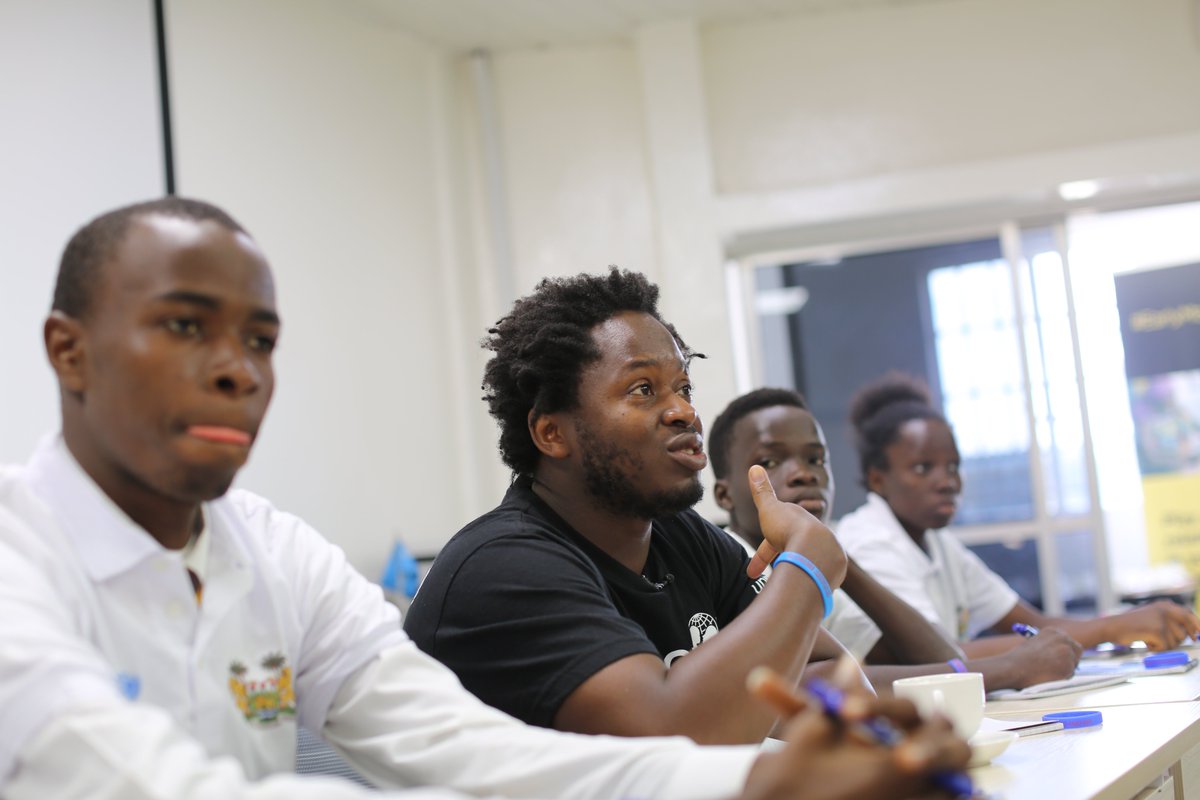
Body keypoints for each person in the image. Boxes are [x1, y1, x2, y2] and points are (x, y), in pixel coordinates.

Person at [0, 198, 968, 800]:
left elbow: (480, 755)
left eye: (259, 339)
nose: (237, 371)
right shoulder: (15, 550)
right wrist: (758, 772)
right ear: (67, 350)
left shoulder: (271, 551)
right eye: (184, 325)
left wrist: (771, 775)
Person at [406, 269, 888, 747]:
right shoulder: (503, 567)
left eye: (684, 387)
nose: (684, 411)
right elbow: (668, 739)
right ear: (552, 433)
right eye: (643, 389)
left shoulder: (682, 537)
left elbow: (833, 681)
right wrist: (806, 570)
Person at [708, 387, 1080, 691]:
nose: (804, 474)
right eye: (771, 462)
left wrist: (836, 558)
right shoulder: (730, 564)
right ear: (724, 496)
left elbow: (934, 657)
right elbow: (823, 686)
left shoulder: (815, 563)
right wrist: (1008, 669)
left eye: (815, 459)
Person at [837, 372, 1200, 657]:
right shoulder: (869, 543)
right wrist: (1108, 630)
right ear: (877, 479)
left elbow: (1033, 625)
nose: (946, 481)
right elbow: (937, 657)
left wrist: (1122, 624)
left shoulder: (936, 542)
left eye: (953, 466)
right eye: (922, 468)